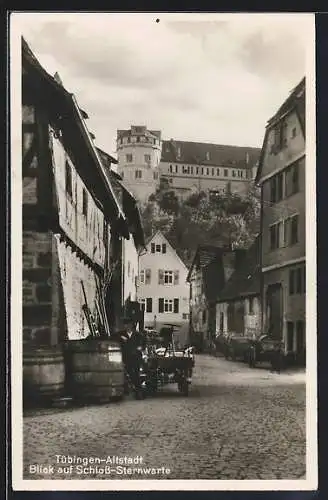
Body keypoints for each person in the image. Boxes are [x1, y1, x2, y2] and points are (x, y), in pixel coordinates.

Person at [119, 318, 146, 399]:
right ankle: (138, 389)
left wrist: (141, 348)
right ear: (124, 326)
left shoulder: (138, 335)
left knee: (136, 373)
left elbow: (144, 343)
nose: (128, 326)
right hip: (126, 357)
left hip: (136, 357)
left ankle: (138, 390)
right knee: (130, 373)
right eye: (126, 325)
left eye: (129, 324)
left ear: (132, 325)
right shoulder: (120, 335)